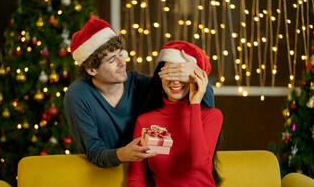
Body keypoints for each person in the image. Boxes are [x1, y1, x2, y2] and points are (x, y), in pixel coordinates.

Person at [64, 18, 215, 167]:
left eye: (120, 54)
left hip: (147, 175)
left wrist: (194, 75)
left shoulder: (140, 84)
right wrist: (123, 154)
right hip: (104, 176)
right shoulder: (78, 95)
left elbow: (205, 111)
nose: (122, 62)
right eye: (111, 60)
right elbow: (93, 151)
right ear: (91, 70)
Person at [127, 41, 231, 187]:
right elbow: (134, 183)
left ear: (193, 77)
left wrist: (195, 103)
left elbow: (198, 163)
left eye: (181, 73)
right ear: (160, 77)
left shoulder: (211, 116)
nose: (175, 81)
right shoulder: (146, 121)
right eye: (170, 73)